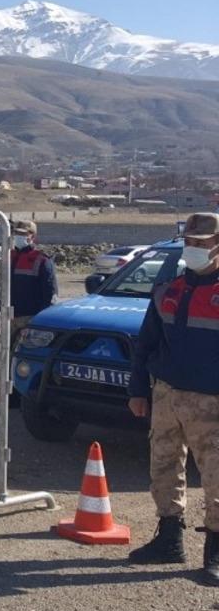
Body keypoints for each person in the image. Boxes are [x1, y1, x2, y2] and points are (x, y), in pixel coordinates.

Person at [127, 212, 219, 586]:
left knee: (216, 477)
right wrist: (137, 390)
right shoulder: (168, 289)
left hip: (211, 400)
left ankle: (215, 550)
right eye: (190, 242)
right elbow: (146, 343)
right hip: (165, 394)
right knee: (164, 465)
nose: (194, 249)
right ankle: (169, 538)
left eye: (203, 243)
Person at [0, 219, 57, 351]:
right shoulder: (7, 258)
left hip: (29, 320)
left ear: (32, 236)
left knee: (25, 358)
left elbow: (50, 296)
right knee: (7, 357)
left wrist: (37, 324)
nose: (18, 237)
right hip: (8, 318)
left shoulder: (42, 260)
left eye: (23, 234)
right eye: (16, 233)